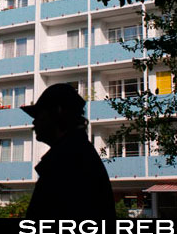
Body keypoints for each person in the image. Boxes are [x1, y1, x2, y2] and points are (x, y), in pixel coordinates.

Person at [21, 83, 116, 219]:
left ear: (57, 111)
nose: (34, 122)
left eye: (39, 114)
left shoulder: (69, 160)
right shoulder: (75, 153)